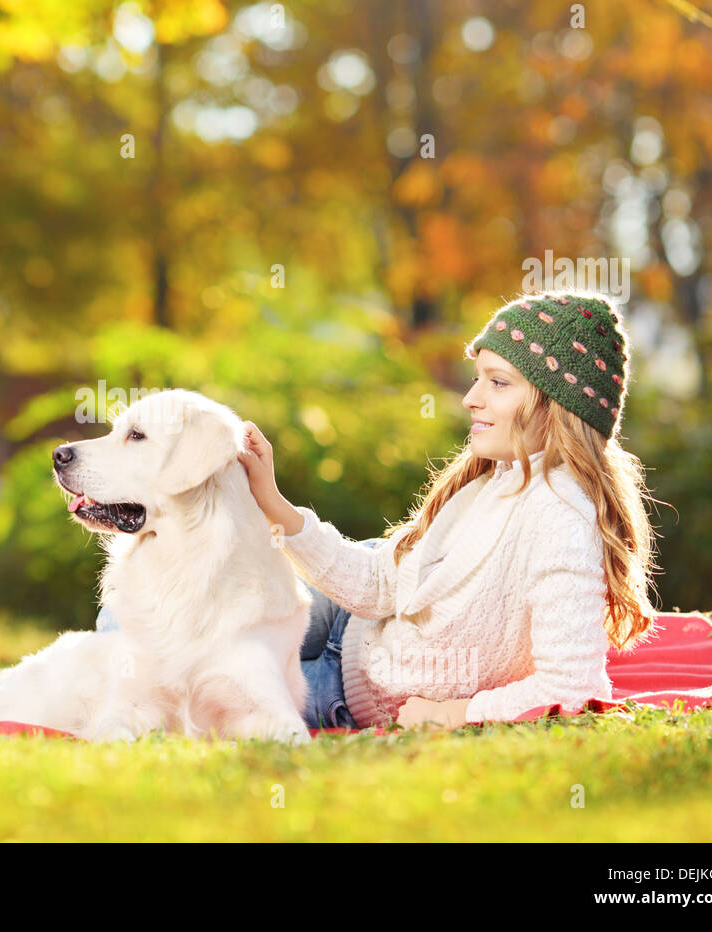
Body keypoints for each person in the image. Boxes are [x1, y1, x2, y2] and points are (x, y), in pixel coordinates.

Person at [234, 289, 663, 731]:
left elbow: (572, 688)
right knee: (206, 613)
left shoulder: (562, 517)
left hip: (343, 688)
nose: (470, 398)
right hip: (356, 619)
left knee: (201, 682)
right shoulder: (494, 478)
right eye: (477, 378)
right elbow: (378, 584)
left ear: (558, 406)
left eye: (498, 382)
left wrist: (450, 714)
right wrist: (272, 502)